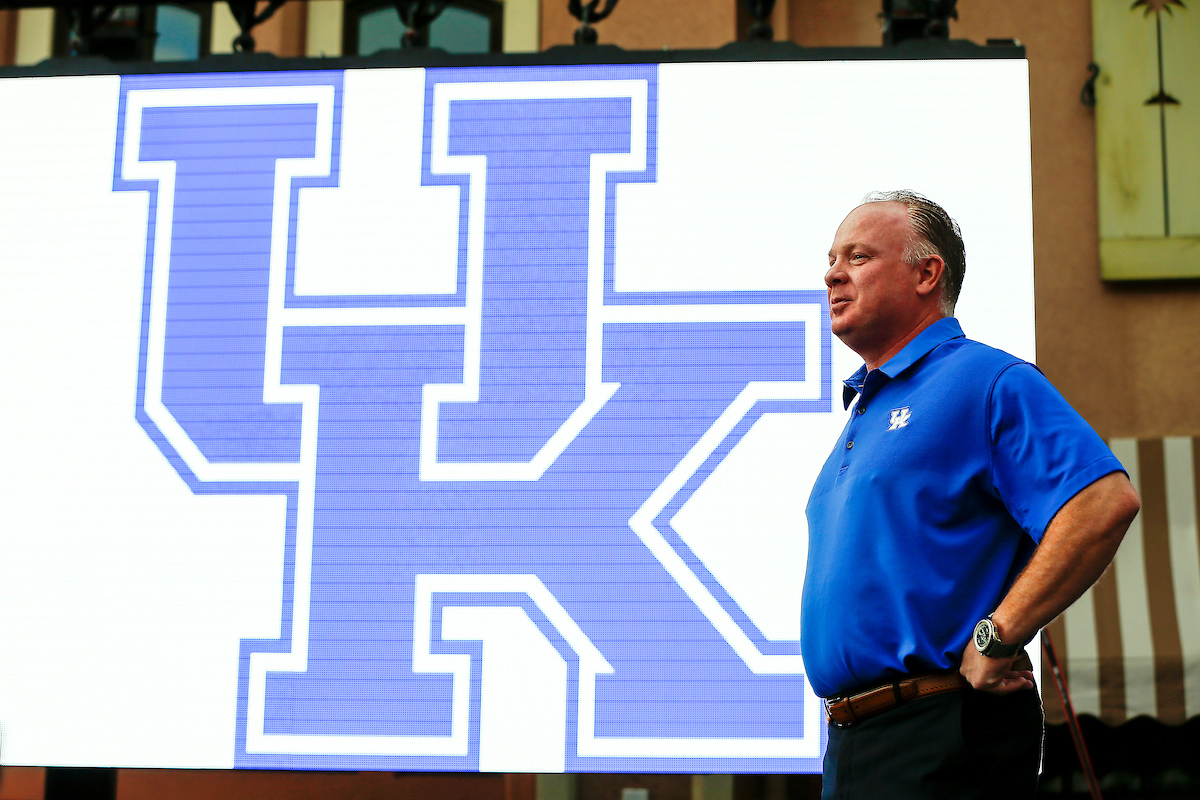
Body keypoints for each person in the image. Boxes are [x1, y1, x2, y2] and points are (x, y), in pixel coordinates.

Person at [801, 191, 1141, 799]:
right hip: (858, 742)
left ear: (927, 273)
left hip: (938, 731)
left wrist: (1000, 634)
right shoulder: (867, 409)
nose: (832, 273)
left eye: (858, 256)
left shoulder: (985, 380)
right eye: (831, 259)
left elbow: (1102, 502)